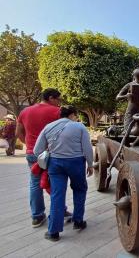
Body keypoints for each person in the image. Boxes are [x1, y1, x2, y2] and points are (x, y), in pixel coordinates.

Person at [34, 105, 94, 241]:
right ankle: (78, 221)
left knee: (57, 195)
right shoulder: (79, 127)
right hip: (76, 163)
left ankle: (53, 232)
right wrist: (90, 165)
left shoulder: (48, 126)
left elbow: (37, 150)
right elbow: (87, 148)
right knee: (79, 190)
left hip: (55, 164)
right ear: (73, 114)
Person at [16, 88, 71, 227]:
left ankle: (37, 216)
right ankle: (61, 211)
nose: (59, 103)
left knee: (34, 184)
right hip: (52, 154)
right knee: (57, 183)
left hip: (32, 154)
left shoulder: (25, 112)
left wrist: (29, 145)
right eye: (58, 99)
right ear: (51, 98)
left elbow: (19, 132)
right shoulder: (57, 112)